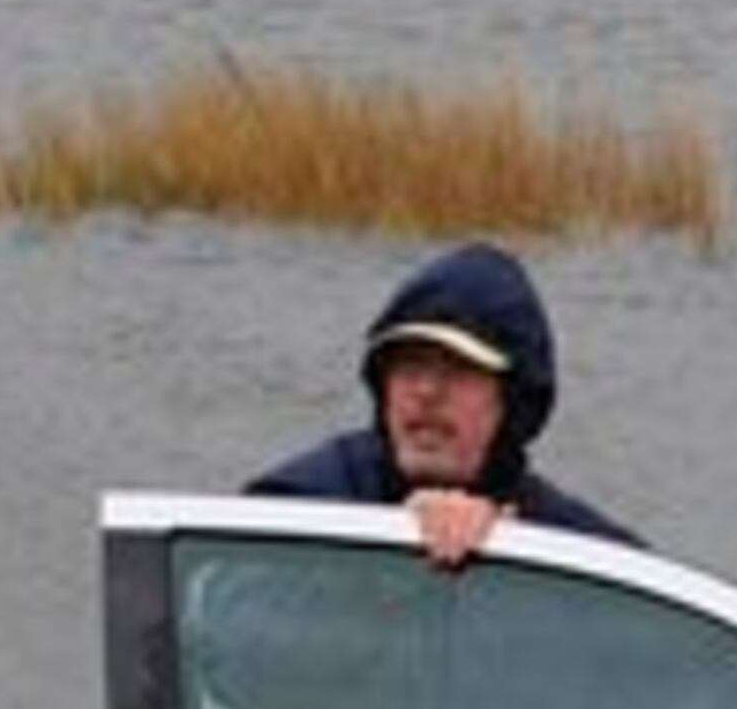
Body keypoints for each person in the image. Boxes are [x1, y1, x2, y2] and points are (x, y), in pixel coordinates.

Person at [251, 240, 635, 565]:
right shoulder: (301, 507)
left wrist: (508, 559)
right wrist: (388, 539)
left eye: (459, 370)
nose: (427, 392)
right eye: (409, 366)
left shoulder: (582, 558)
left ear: (511, 402)